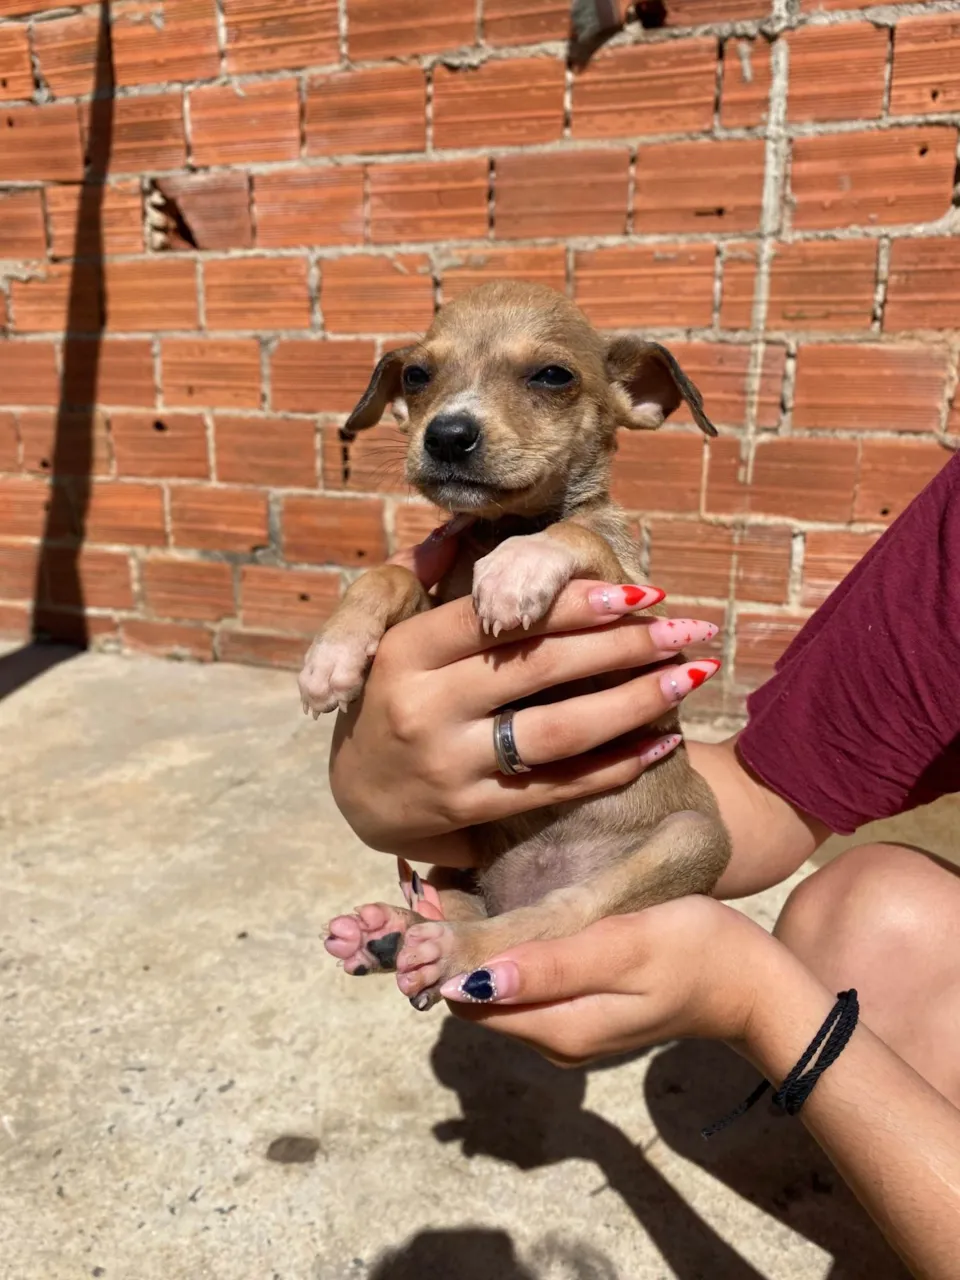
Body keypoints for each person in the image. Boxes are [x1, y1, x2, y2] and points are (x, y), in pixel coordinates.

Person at [328, 453, 960, 1278]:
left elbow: (596, 547)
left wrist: (759, 1001)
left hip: (594, 874)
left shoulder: (586, 537)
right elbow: (767, 796)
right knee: (872, 913)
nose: (457, 423)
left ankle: (489, 934)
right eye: (419, 387)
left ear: (633, 403)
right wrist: (410, 789)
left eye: (550, 387)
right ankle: (460, 933)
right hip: (569, 849)